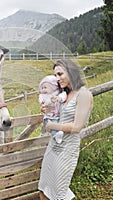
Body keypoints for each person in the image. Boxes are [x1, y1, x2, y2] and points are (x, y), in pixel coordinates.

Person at [38, 59, 93, 200]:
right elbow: (56, 114)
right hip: (53, 146)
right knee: (43, 189)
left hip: (67, 149)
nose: (57, 79)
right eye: (55, 75)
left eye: (60, 74)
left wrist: (53, 126)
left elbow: (76, 127)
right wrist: (46, 109)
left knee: (58, 193)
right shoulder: (64, 94)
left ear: (71, 72)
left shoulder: (84, 94)